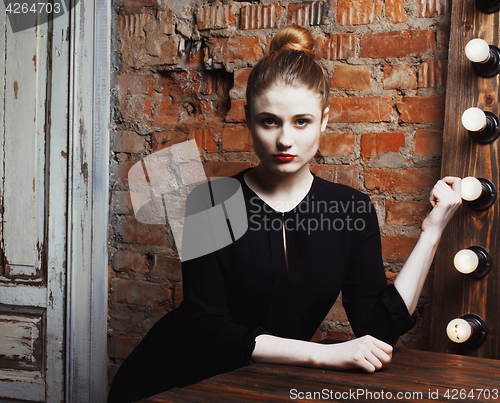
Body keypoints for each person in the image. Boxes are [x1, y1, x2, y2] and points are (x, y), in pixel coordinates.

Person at [108, 25, 462, 402]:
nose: (285, 140)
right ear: (248, 119)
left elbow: (378, 330)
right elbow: (207, 327)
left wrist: (431, 232)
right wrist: (322, 354)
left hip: (260, 389)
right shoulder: (209, 203)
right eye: (270, 121)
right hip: (169, 384)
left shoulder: (351, 209)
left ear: (324, 121)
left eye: (301, 121)